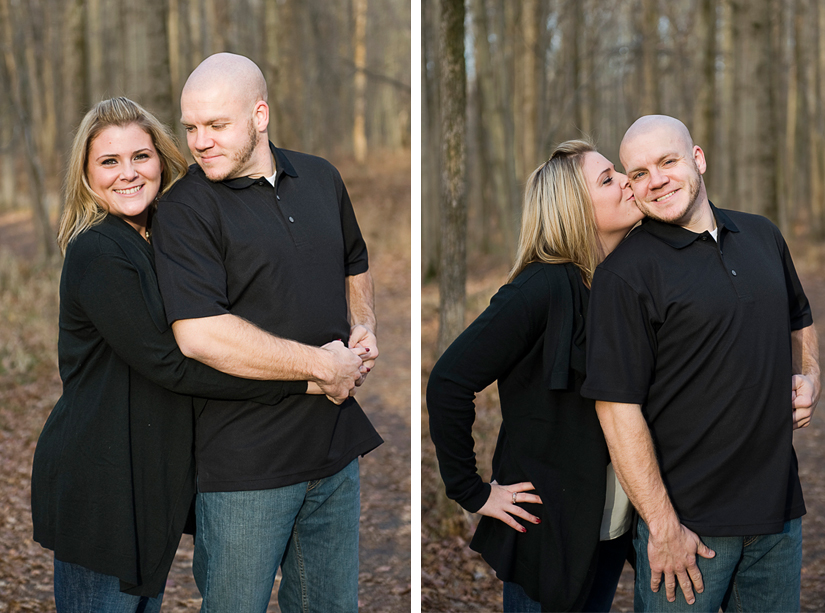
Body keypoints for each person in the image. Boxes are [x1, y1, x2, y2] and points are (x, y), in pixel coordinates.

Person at [29, 97, 351, 611]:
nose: (128, 174)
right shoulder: (99, 251)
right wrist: (306, 377)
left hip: (148, 477)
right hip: (102, 484)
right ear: (87, 176)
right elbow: (172, 364)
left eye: (141, 156)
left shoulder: (161, 238)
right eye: (109, 162)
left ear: (162, 159)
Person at [151, 53, 383, 612]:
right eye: (190, 127)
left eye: (216, 125)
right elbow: (201, 334)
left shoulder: (322, 177)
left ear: (259, 115)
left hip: (332, 453)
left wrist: (364, 324)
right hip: (245, 466)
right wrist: (322, 365)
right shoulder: (185, 209)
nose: (199, 141)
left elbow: (355, 261)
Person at [581, 114, 820, 612]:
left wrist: (810, 374)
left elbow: (799, 317)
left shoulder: (762, 235)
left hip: (779, 513)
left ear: (698, 158)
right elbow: (616, 410)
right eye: (639, 173)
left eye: (667, 161)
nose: (656, 180)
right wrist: (664, 527)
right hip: (689, 530)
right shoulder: (625, 275)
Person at [427, 139, 644, 612]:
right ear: (573, 208)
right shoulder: (540, 286)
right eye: (608, 178)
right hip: (548, 531)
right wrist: (472, 491)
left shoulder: (617, 282)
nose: (628, 181)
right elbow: (448, 381)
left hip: (607, 526)